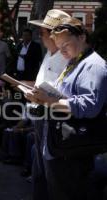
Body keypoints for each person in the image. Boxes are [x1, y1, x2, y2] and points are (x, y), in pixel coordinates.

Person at [26, 17, 107, 200]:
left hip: (74, 150)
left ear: (82, 37)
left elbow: (89, 106)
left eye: (66, 45)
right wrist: (41, 98)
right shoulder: (75, 61)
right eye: (59, 46)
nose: (62, 51)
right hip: (60, 145)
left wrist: (49, 100)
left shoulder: (93, 65)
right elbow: (65, 96)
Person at [27, 9, 71, 200]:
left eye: (42, 32)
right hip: (39, 117)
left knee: (51, 170)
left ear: (55, 35)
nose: (40, 36)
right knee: (39, 169)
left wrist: (42, 96)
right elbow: (41, 84)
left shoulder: (67, 58)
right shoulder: (48, 55)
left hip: (52, 120)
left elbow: (66, 94)